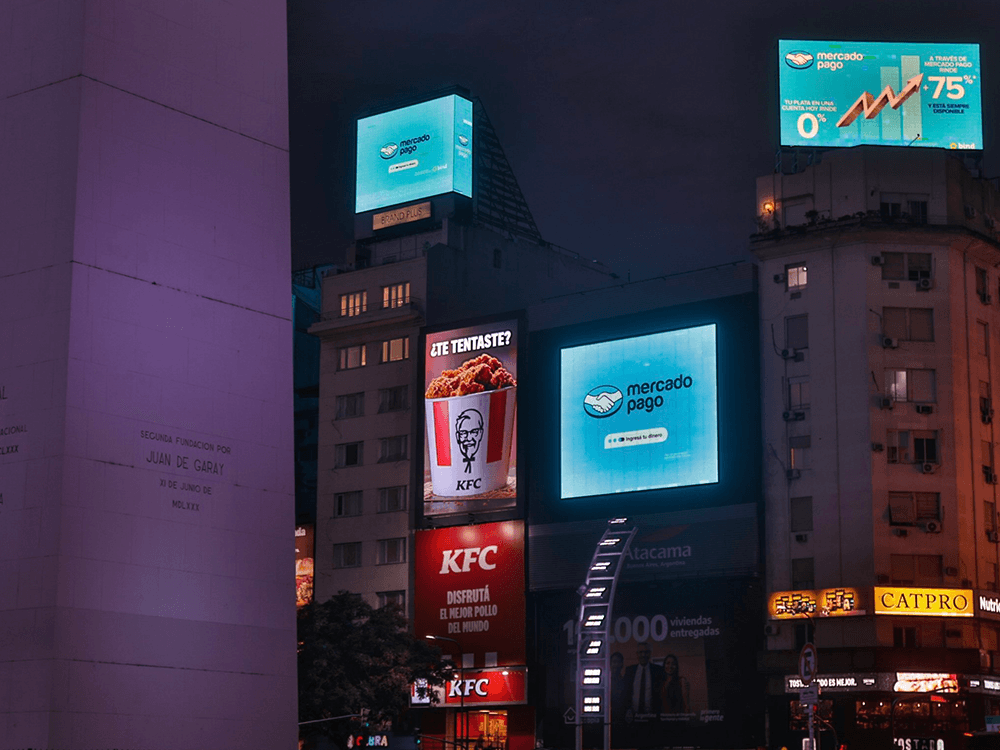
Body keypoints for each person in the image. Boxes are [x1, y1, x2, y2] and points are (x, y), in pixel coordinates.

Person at [623, 642, 665, 715]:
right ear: (637, 654)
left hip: (653, 717)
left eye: (646, 652)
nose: (643, 655)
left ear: (650, 653)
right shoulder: (630, 670)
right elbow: (626, 693)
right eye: (641, 652)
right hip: (632, 717)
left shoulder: (658, 670)